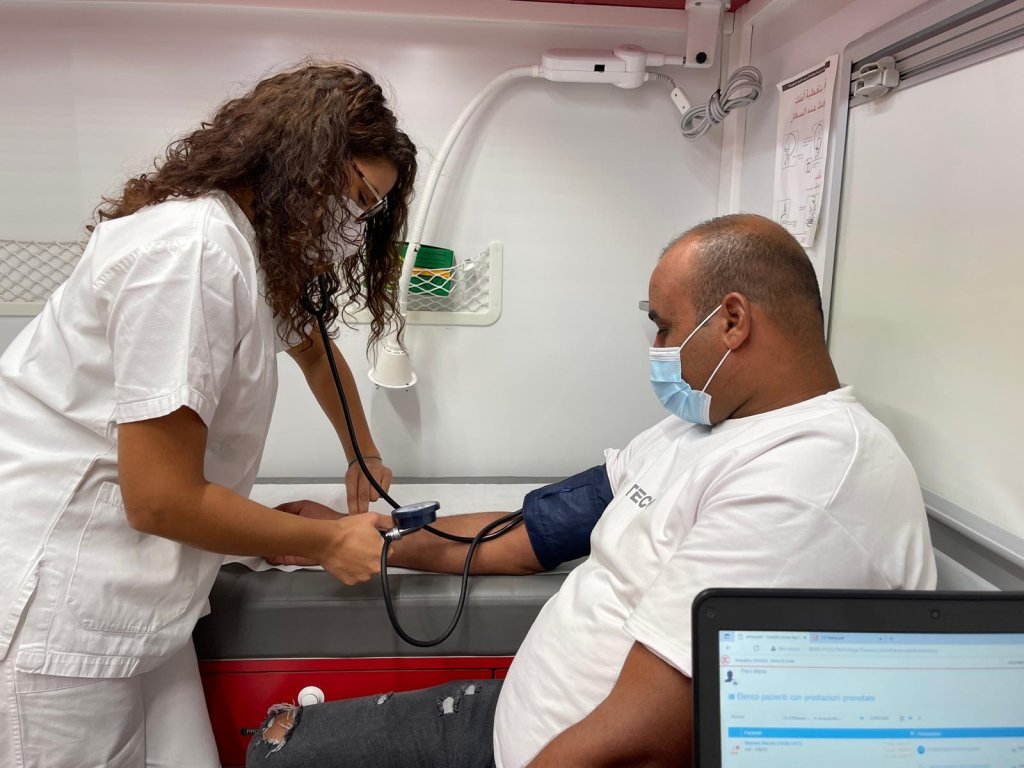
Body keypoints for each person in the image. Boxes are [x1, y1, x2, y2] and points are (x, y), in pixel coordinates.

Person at [249, 213, 937, 768]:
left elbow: (646, 739)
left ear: (733, 321)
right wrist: (355, 540)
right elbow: (526, 533)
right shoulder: (694, 429)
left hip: (565, 752)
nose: (657, 346)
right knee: (278, 750)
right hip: (508, 725)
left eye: (664, 324)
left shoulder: (810, 477)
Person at [0, 62, 416, 767]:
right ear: (303, 162)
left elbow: (314, 351)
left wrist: (362, 453)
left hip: (135, 604)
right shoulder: (188, 250)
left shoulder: (244, 249)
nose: (357, 227)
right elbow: (160, 500)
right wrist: (325, 543)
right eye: (356, 196)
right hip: (59, 609)